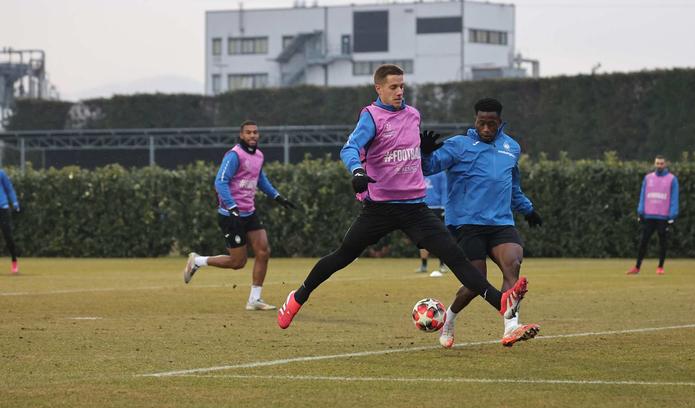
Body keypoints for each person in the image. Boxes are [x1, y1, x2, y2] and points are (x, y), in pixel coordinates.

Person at [276, 64, 527, 335]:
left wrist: (425, 151)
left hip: (414, 207)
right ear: (379, 88)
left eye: (402, 86)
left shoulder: (413, 115)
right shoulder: (371, 117)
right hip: (380, 208)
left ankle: (501, 304)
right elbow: (350, 148)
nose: (399, 91)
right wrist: (357, 171)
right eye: (393, 87)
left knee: (455, 257)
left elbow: (410, 153)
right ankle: (298, 296)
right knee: (343, 256)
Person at [422, 98, 542, 349]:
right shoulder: (458, 145)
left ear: (500, 122)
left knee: (513, 263)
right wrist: (424, 152)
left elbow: (513, 186)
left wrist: (528, 209)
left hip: (500, 222)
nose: (486, 129)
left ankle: (511, 327)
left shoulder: (511, 147)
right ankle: (449, 320)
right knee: (475, 282)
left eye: (492, 124)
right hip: (466, 224)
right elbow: (428, 168)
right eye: (481, 123)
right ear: (475, 120)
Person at [183, 120, 298, 310]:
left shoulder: (259, 156)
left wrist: (277, 196)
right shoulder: (234, 155)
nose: (252, 135)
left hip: (249, 213)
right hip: (231, 215)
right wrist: (232, 206)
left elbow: (260, 179)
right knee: (238, 262)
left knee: (263, 251)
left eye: (255, 132)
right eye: (248, 133)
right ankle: (197, 261)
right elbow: (220, 182)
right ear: (241, 135)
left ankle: (254, 299)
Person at [627, 155, 679, 275]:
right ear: (654, 164)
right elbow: (643, 195)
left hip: (663, 216)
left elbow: (674, 198)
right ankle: (637, 267)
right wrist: (640, 211)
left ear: (665, 164)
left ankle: (660, 267)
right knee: (643, 242)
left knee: (662, 242)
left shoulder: (672, 179)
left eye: (661, 163)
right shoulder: (647, 178)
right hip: (649, 216)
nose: (659, 165)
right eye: (657, 163)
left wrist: (672, 214)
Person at [416, 171, 448, 277]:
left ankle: (442, 264)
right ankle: (424, 264)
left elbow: (444, 189)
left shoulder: (440, 173)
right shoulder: (418, 171)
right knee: (422, 238)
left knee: (440, 237)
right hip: (422, 207)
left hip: (438, 208)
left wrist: (444, 207)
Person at [0, 169, 21, 274]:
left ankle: (14, 260)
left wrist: (15, 202)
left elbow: (9, 189)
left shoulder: (1, 173)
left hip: (3, 208)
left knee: (8, 236)